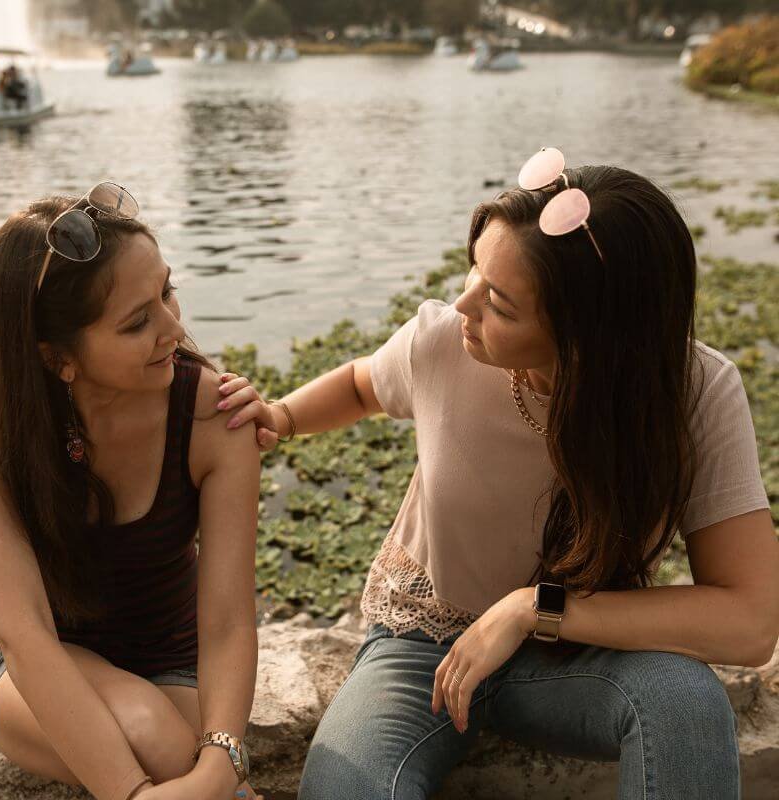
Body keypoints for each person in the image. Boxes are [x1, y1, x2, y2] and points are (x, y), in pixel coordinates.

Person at [220, 150, 779, 799]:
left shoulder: (694, 393)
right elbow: (360, 383)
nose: (463, 303)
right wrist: (282, 416)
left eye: (501, 305)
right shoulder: (441, 342)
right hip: (421, 645)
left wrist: (531, 610)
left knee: (686, 701)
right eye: (475, 272)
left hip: (583, 652)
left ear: (590, 338)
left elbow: (749, 620)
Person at [0, 181, 263, 800]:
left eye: (167, 291)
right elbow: (22, 632)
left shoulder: (215, 413)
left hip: (178, 659)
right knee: (150, 735)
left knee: (185, 755)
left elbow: (226, 621)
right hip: (31, 668)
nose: (172, 327)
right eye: (138, 322)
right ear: (58, 357)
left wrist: (224, 761)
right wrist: (132, 795)